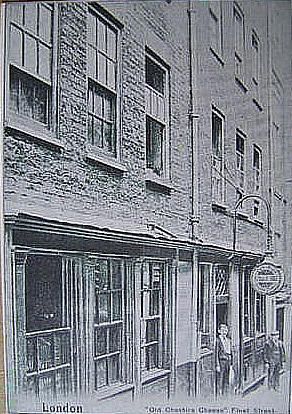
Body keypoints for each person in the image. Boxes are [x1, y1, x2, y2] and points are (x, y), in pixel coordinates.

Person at [215, 324, 233, 395]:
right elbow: (216, 354)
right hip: (221, 362)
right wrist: (217, 365)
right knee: (221, 379)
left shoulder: (228, 340)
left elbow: (231, 352)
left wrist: (231, 364)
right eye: (223, 330)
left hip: (228, 361)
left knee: (226, 379)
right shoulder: (218, 341)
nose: (225, 332)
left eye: (226, 330)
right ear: (219, 331)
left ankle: (225, 394)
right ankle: (220, 394)